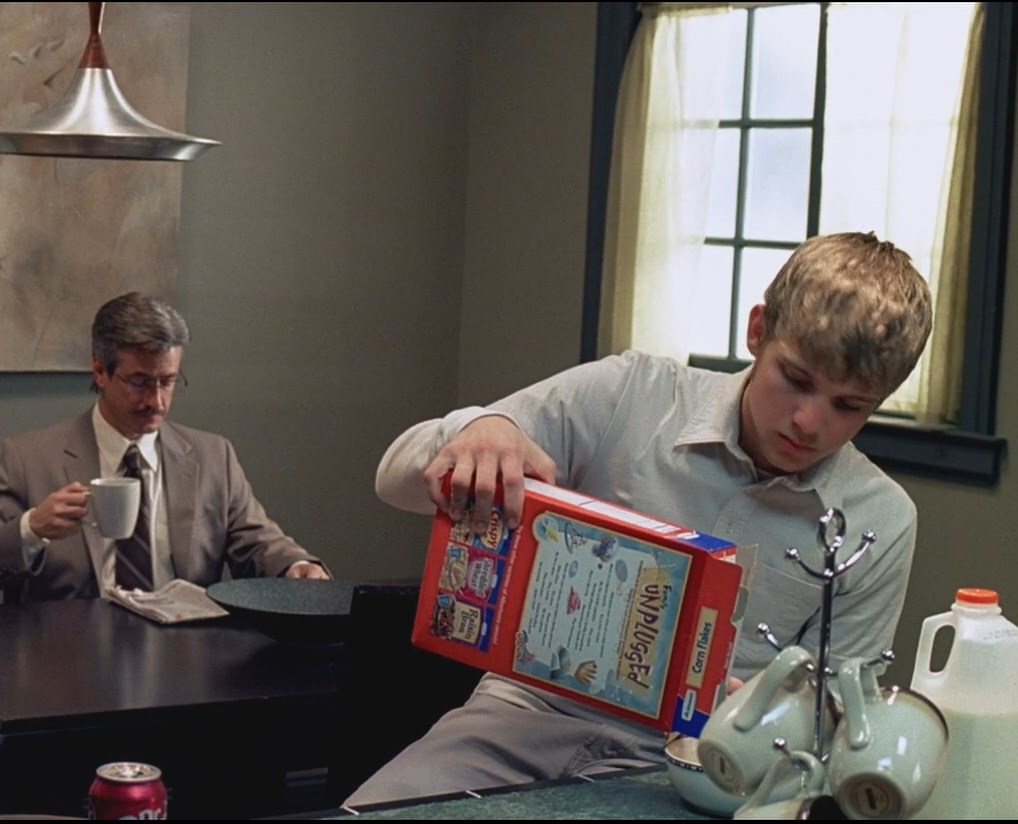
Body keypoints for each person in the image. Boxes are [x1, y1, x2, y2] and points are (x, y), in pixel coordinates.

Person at [348, 232, 934, 805]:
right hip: (521, 717)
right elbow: (393, 481)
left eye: (849, 406)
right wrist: (479, 429)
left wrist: (777, 715)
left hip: (698, 769)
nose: (809, 421)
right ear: (758, 330)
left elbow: (838, 718)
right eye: (796, 379)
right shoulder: (632, 394)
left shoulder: (878, 520)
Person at [0, 292, 329, 601]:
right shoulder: (31, 459)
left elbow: (259, 542)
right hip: (67, 655)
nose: (157, 401)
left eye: (168, 381)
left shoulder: (213, 457)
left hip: (185, 652)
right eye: (140, 382)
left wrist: (295, 566)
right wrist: (32, 528)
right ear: (100, 371)